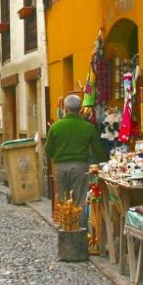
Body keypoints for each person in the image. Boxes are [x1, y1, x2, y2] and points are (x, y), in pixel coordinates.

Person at [44, 93, 105, 227]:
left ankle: (65, 231)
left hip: (60, 167)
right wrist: (102, 165)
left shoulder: (56, 127)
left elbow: (47, 150)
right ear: (80, 109)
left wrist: (58, 156)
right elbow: (98, 151)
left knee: (63, 199)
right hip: (80, 167)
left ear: (65, 108)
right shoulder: (88, 127)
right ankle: (80, 232)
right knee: (79, 200)